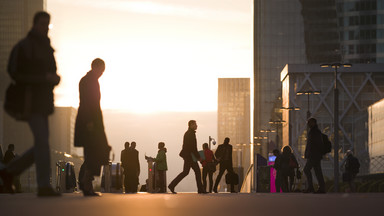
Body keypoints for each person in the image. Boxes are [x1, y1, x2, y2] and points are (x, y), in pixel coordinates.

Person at [0, 11, 61, 196]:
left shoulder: (47, 48)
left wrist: (54, 79)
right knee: (42, 143)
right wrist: (43, 78)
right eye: (42, 23)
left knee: (42, 145)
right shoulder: (24, 46)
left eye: (47, 24)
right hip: (30, 101)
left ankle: (8, 172)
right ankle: (43, 186)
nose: (45, 27)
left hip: (43, 103)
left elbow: (51, 73)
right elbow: (14, 71)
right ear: (34, 24)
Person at [74, 58, 111, 196]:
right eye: (101, 70)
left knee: (94, 152)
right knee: (96, 151)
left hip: (92, 121)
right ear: (96, 67)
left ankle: (86, 181)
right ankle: (86, 181)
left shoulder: (91, 80)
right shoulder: (89, 81)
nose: (102, 73)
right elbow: (87, 102)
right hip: (89, 122)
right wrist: (90, 122)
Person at [168, 120, 205, 194]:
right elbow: (193, 147)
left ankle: (172, 185)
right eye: (195, 124)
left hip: (188, 156)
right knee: (196, 172)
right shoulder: (190, 134)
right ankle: (200, 189)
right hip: (190, 156)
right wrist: (199, 157)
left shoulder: (188, 133)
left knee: (186, 172)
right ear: (191, 125)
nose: (196, 126)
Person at [303, 118, 326, 193]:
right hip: (314, 155)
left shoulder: (315, 132)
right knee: (317, 171)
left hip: (314, 155)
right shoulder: (313, 131)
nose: (308, 124)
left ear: (313, 123)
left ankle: (311, 187)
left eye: (309, 122)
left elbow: (316, 144)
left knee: (307, 169)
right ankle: (321, 188)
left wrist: (309, 153)